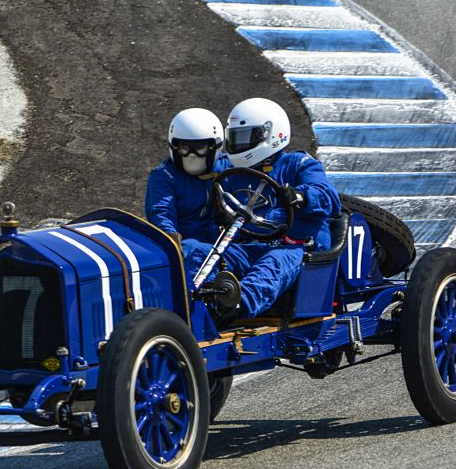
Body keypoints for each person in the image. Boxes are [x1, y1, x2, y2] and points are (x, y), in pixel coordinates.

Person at [184, 97, 341, 320]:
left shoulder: (298, 163)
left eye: (246, 137)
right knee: (192, 249)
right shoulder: (232, 172)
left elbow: (328, 198)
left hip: (297, 249)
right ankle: (193, 300)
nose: (238, 145)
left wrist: (299, 196)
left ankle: (233, 308)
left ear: (270, 134)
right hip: (251, 246)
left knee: (273, 263)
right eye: (235, 138)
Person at [144, 108, 228, 259]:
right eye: (185, 148)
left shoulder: (229, 168)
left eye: (200, 148)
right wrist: (171, 237)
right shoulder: (163, 176)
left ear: (215, 147)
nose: (192, 155)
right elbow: (161, 212)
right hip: (187, 253)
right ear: (174, 147)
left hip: (227, 249)